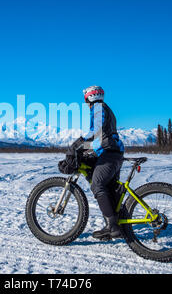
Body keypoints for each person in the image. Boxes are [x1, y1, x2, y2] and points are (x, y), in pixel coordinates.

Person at [75, 85, 125, 239]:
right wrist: (90, 149)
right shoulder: (105, 108)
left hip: (109, 152)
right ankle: (119, 224)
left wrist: (80, 144)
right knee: (110, 188)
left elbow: (97, 132)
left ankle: (112, 226)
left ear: (88, 98)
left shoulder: (97, 108)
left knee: (97, 185)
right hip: (113, 151)